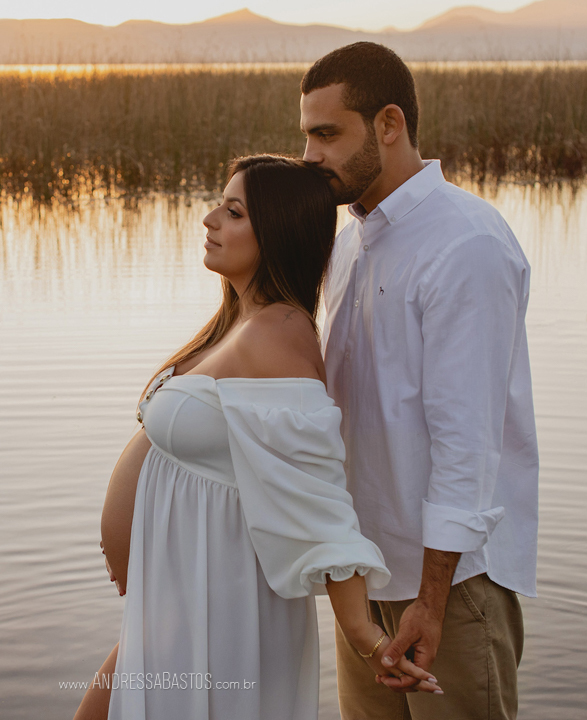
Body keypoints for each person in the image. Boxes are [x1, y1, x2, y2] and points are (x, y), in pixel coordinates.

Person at [74, 155, 441, 720]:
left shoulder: (279, 334)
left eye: (234, 212)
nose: (210, 220)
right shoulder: (238, 323)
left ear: (277, 232)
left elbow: (319, 497)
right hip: (179, 601)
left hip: (220, 605)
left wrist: (365, 635)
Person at [300, 42, 539, 719]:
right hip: (362, 575)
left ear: (389, 124)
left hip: (452, 585)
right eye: (307, 135)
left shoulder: (466, 244)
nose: (311, 155)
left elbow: (468, 443)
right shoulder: (348, 240)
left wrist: (431, 602)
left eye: (327, 134)